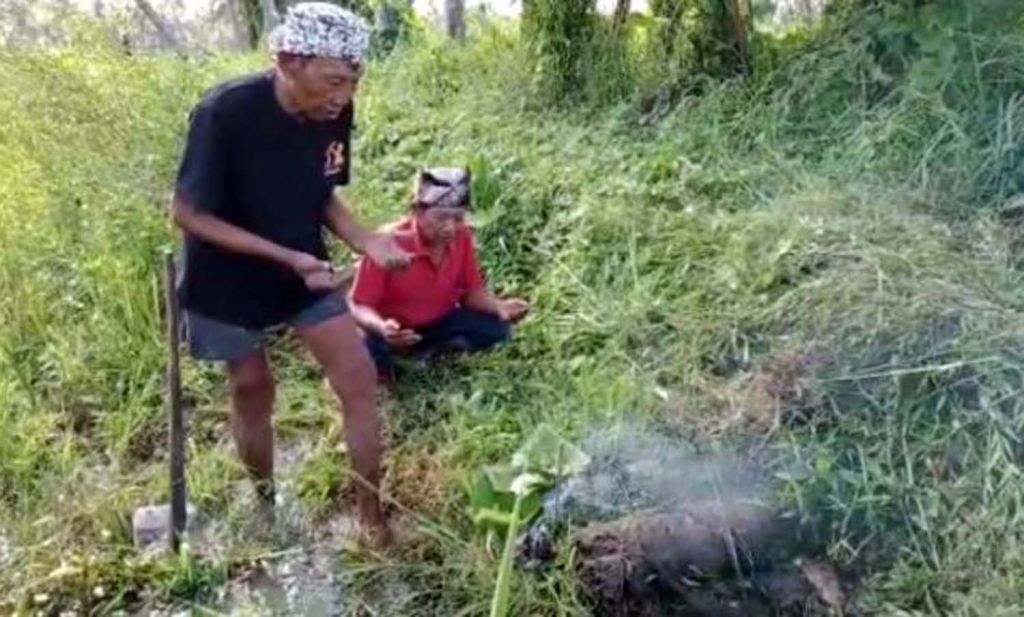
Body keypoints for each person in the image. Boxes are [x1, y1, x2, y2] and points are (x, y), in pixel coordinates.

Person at [170, 2, 406, 543]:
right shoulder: (224, 113)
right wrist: (285, 256)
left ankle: (372, 519)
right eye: (332, 81)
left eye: (352, 82)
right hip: (224, 276)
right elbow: (187, 212)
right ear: (287, 60)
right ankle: (265, 500)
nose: (343, 96)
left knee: (358, 379)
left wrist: (365, 238)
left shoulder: (332, 113)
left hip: (304, 269)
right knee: (253, 386)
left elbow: (321, 192)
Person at [348, 168, 529, 380]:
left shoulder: (462, 238)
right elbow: (359, 305)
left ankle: (426, 353)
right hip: (391, 331)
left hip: (438, 321)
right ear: (417, 211)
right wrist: (381, 327)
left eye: (458, 218)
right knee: (366, 350)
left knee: (498, 331)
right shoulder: (387, 244)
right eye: (441, 218)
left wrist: (498, 306)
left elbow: (471, 292)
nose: (450, 227)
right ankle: (397, 369)